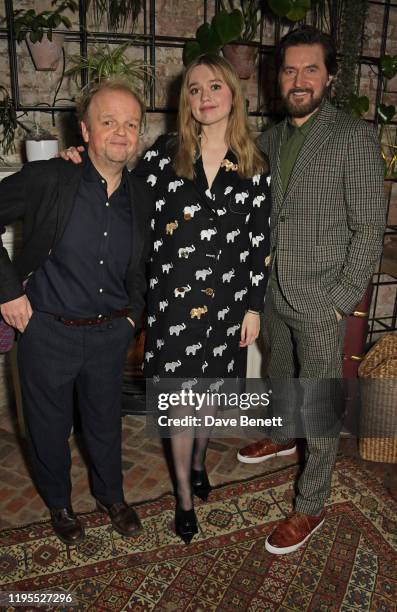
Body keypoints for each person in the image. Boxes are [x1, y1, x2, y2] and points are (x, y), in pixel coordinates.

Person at [60, 54, 271, 544]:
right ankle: (182, 497)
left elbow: (260, 244)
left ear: (232, 96)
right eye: (194, 90)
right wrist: (75, 158)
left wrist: (254, 307)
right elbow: (113, 184)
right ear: (185, 99)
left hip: (228, 306)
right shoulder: (162, 157)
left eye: (214, 87)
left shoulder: (256, 165)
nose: (205, 98)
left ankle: (198, 464)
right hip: (173, 304)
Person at [237, 26, 387, 555]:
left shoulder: (353, 137)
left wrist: (340, 298)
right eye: (290, 70)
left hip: (323, 295)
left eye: (311, 70)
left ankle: (311, 503)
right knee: (278, 367)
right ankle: (280, 434)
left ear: (330, 76)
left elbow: (370, 229)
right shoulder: (269, 139)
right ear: (279, 77)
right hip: (273, 290)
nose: (299, 80)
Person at [0, 78, 150, 545]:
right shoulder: (51, 178)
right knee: (47, 429)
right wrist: (7, 291)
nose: (121, 133)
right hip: (47, 330)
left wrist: (132, 317)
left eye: (131, 124)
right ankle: (60, 505)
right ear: (84, 131)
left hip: (109, 334)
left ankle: (112, 496)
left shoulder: (143, 195)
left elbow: (144, 266)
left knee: (105, 422)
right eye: (109, 122)